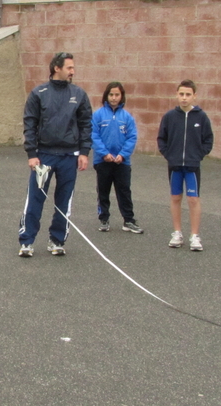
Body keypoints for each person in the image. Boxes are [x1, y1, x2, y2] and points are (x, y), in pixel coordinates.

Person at [19, 52, 92, 257]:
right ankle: (27, 241)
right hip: (44, 155)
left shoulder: (78, 94)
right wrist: (31, 153)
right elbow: (30, 124)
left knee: (64, 199)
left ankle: (57, 240)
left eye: (73, 67)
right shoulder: (39, 93)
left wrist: (84, 152)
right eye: (69, 67)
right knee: (35, 198)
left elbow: (86, 124)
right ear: (56, 68)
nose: (73, 71)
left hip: (69, 156)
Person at [157, 80, 213, 251]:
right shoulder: (169, 116)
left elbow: (208, 140)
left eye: (188, 94)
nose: (184, 98)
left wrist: (197, 155)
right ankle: (177, 232)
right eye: (181, 94)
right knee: (175, 198)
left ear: (194, 96)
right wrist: (169, 155)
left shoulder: (201, 117)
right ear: (177, 94)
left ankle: (194, 236)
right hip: (175, 166)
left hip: (192, 166)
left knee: (193, 199)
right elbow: (162, 139)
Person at [92, 82, 142, 234]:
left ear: (122, 96)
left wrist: (122, 155)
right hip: (103, 161)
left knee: (124, 191)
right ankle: (104, 218)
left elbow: (132, 137)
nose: (114, 98)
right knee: (103, 191)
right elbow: (93, 135)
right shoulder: (98, 115)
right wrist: (104, 153)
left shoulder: (127, 117)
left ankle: (128, 220)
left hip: (122, 162)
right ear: (106, 96)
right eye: (111, 95)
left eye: (117, 95)